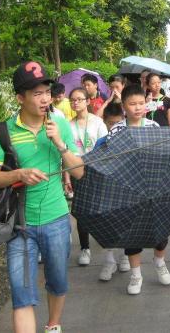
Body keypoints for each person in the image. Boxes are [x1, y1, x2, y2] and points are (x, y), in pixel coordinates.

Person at [0, 61, 84, 333]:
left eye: (47, 92)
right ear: (20, 98)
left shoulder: (59, 126)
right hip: (19, 225)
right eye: (37, 93)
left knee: (58, 282)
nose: (45, 98)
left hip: (56, 220)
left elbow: (79, 173)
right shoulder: (4, 131)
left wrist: (60, 144)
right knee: (21, 293)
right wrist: (19, 174)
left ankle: (53, 325)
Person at [108, 84, 170, 295]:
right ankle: (136, 275)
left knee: (160, 231)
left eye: (141, 103)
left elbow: (163, 156)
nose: (137, 108)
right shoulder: (117, 129)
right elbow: (112, 159)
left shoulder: (153, 127)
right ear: (124, 106)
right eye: (132, 104)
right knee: (132, 232)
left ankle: (159, 261)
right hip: (128, 188)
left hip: (153, 186)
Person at [65, 87, 108, 267]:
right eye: (72, 100)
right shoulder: (68, 125)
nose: (76, 102)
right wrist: (67, 178)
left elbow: (106, 148)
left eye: (79, 99)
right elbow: (65, 153)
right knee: (81, 210)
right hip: (77, 171)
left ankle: (109, 246)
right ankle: (85, 248)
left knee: (100, 209)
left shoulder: (98, 123)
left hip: (96, 171)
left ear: (88, 101)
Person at [98, 102, 131, 280]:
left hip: (127, 189)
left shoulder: (130, 140)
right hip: (108, 189)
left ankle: (126, 254)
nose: (114, 126)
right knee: (108, 223)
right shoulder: (101, 142)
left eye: (118, 122)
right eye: (111, 123)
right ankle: (109, 259)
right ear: (105, 121)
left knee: (126, 221)